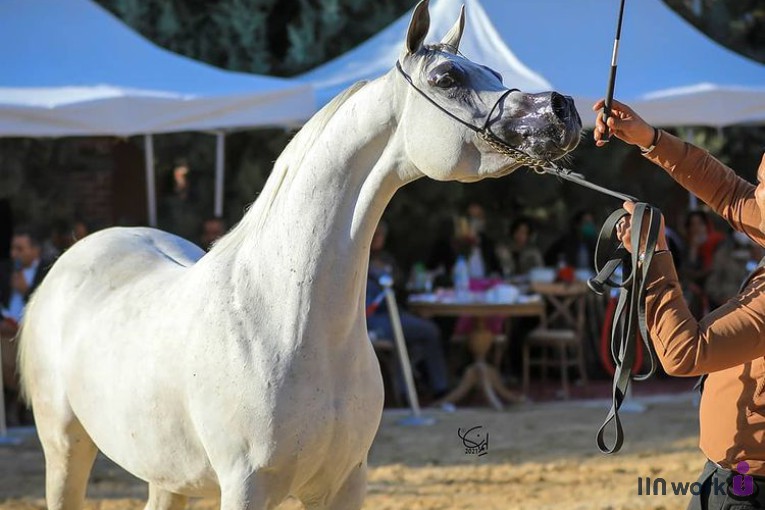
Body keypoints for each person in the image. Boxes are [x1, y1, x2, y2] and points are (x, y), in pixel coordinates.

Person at [595, 97, 765, 509]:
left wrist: (652, 255)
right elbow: (728, 191)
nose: (757, 193)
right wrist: (650, 140)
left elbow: (685, 353)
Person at [366, 222, 450, 402]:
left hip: (395, 313)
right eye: (375, 234)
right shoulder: (356, 258)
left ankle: (439, 387)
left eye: (381, 235)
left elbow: (401, 285)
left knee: (429, 331)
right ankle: (405, 394)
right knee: (401, 336)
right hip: (372, 319)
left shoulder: (387, 260)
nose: (378, 239)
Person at [0, 227, 51, 426]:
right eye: (13, 249)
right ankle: (10, 407)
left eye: (20, 249)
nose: (15, 254)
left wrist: (26, 291)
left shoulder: (48, 271)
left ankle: (25, 408)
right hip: (6, 331)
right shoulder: (5, 269)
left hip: (34, 334)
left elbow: (47, 305)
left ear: (34, 250)